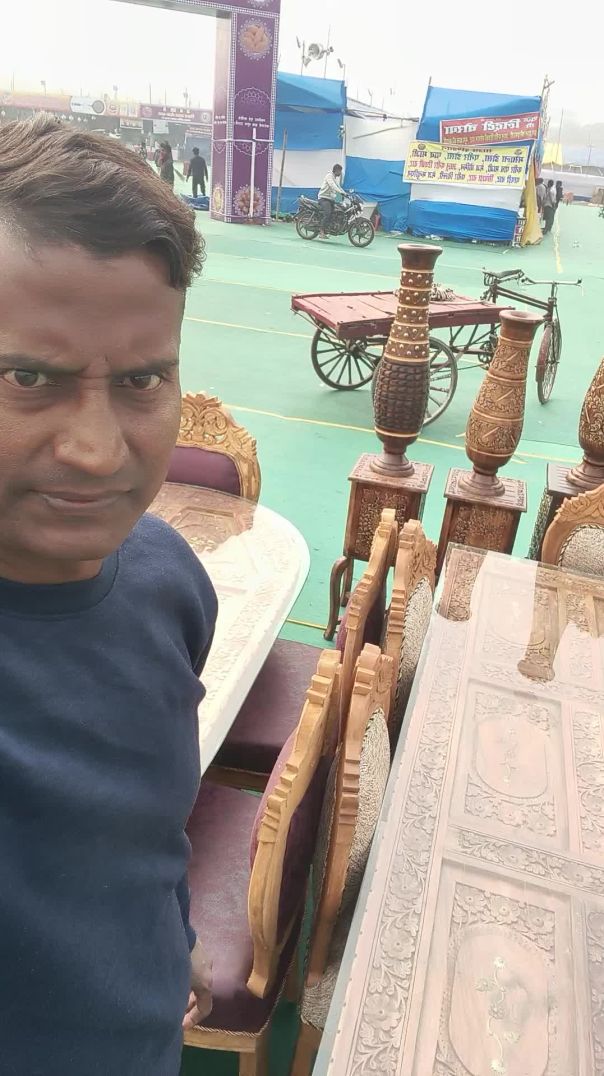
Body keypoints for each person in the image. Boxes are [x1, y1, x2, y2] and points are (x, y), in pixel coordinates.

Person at [0, 114, 217, 1075]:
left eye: (140, 379)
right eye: (28, 378)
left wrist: (171, 938)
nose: (95, 449)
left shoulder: (171, 584)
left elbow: (147, 826)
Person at [318, 163, 344, 238]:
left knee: (336, 213)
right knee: (328, 213)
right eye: (340, 171)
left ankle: (328, 229)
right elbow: (332, 185)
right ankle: (321, 231)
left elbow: (338, 187)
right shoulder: (329, 176)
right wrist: (340, 192)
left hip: (330, 199)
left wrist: (345, 193)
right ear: (337, 170)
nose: (340, 173)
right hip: (323, 198)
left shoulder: (334, 178)